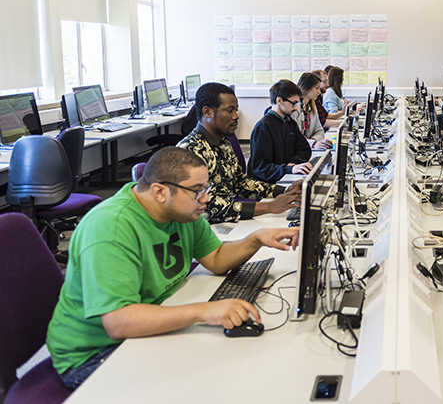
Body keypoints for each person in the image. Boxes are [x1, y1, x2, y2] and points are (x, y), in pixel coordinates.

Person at [46, 147, 300, 389]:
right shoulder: (111, 228)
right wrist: (204, 311)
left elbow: (216, 258)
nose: (207, 198)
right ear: (159, 192)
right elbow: (118, 322)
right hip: (95, 353)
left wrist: (255, 239)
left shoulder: (183, 212)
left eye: (207, 188)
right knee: (207, 380)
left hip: (147, 323)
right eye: (198, 190)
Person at [177, 82, 300, 224]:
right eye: (230, 111)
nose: (236, 116)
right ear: (207, 112)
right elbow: (210, 207)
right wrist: (269, 206)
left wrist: (284, 191)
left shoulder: (223, 143)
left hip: (224, 221)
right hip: (204, 228)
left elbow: (241, 183)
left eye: (236, 110)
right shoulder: (191, 151)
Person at [249, 79, 314, 183]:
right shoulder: (263, 127)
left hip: (286, 177)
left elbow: (304, 149)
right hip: (269, 184)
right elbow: (259, 168)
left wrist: (293, 164)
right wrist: (288, 169)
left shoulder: (289, 122)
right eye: (293, 103)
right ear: (279, 101)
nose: (296, 108)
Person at [293, 72, 332, 150]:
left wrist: (314, 141)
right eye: (316, 88)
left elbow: (319, 130)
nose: (319, 92)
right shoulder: (294, 108)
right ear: (307, 88)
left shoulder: (311, 106)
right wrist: (313, 143)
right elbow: (294, 138)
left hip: (308, 149)